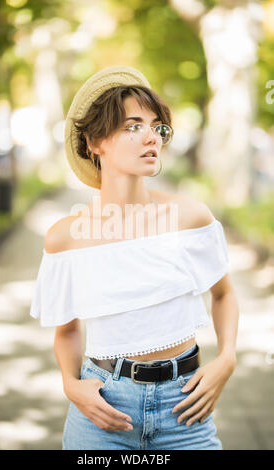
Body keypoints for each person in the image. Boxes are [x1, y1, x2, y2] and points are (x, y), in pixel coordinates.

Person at [30, 65, 239, 450]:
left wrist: (227, 358)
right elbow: (68, 330)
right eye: (133, 126)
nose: (152, 137)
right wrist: (71, 385)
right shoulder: (65, 237)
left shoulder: (190, 216)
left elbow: (223, 294)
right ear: (95, 142)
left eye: (157, 127)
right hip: (103, 412)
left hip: (185, 407)